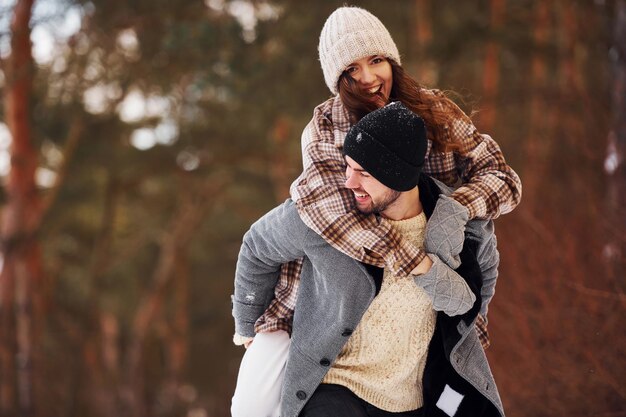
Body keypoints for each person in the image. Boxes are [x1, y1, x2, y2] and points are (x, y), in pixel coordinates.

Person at [231, 5, 520, 416]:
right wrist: (420, 260)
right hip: (324, 296)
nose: (368, 78)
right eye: (351, 70)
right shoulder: (327, 128)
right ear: (337, 79)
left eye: (377, 60)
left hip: (420, 293)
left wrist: (455, 210)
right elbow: (336, 214)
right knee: (253, 407)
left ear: (393, 60)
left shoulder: (431, 112)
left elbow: (502, 179)